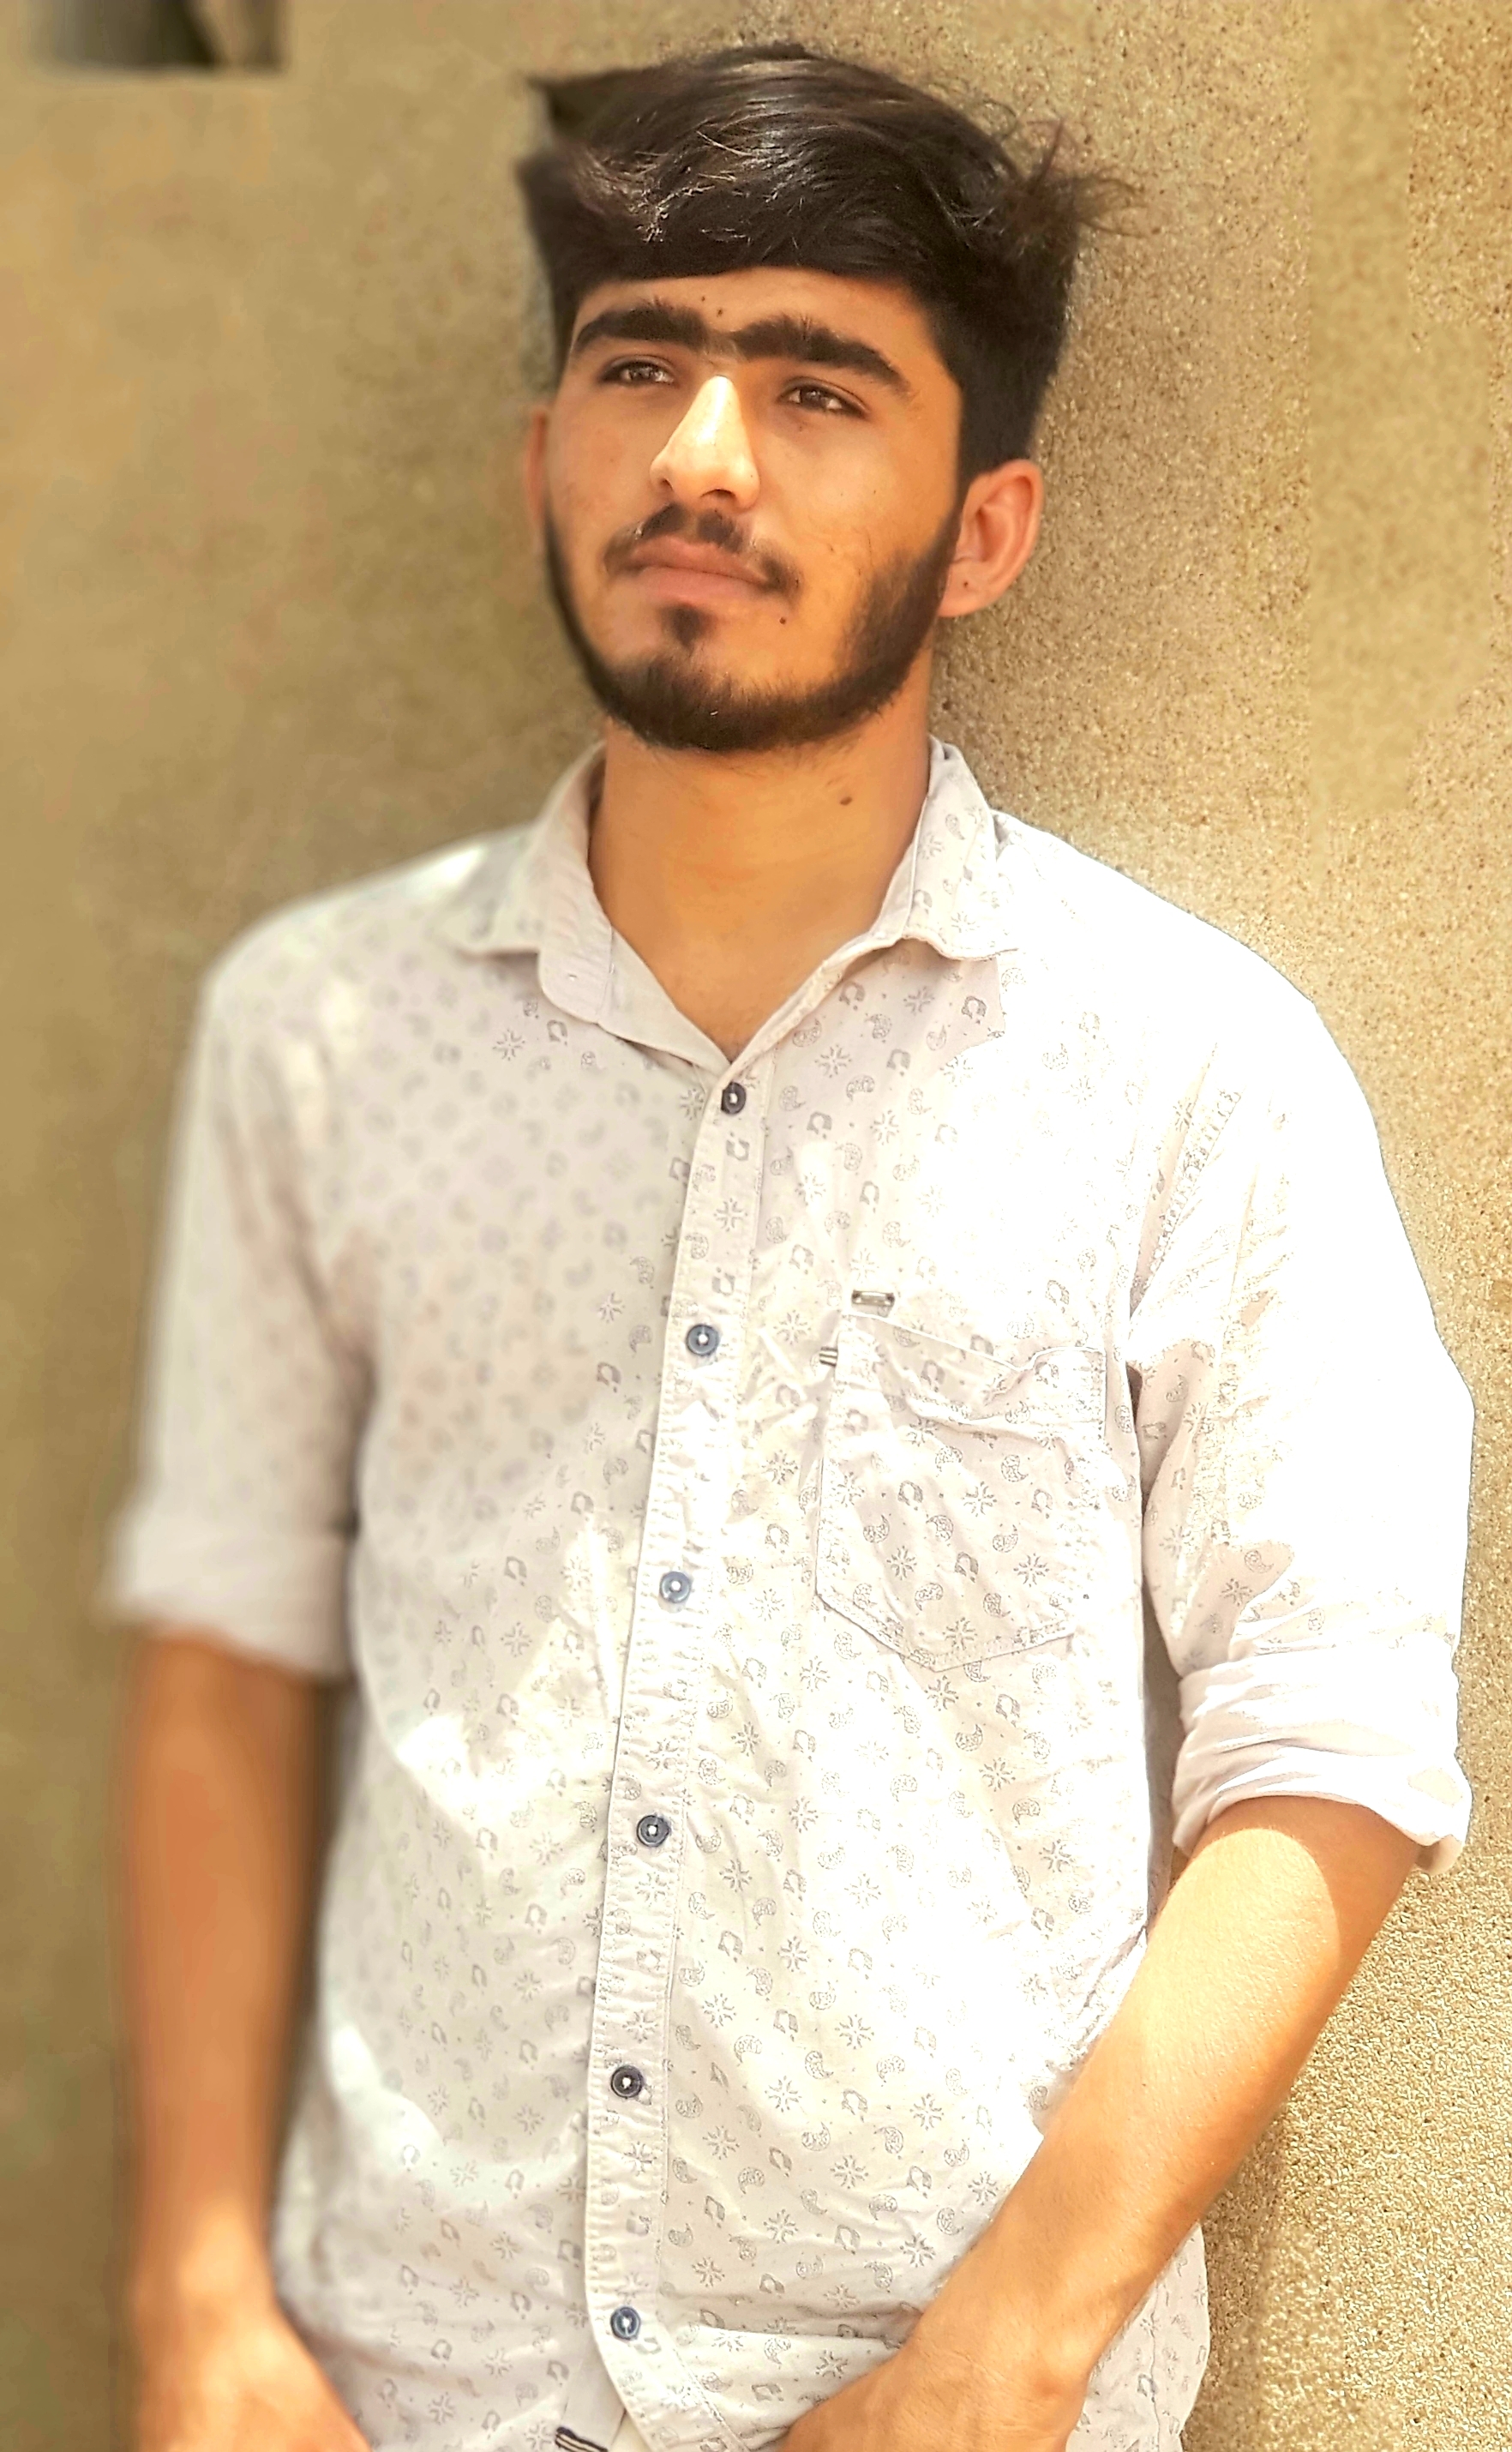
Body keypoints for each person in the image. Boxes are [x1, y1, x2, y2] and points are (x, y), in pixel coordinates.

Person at [103, 42, 1475, 2452]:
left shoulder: (1191, 1071)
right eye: (639, 365)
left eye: (820, 387)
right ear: (543, 458)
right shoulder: (321, 1033)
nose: (704, 456)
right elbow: (227, 1643)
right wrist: (201, 2301)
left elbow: (1331, 1739)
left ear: (987, 527)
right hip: (399, 2391)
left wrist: (1001, 2358)